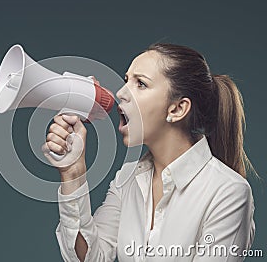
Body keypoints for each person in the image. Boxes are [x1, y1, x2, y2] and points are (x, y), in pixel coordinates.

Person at [42, 43, 256, 261]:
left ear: (177, 109)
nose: (121, 93)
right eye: (127, 81)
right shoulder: (127, 180)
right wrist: (72, 172)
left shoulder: (228, 192)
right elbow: (90, 257)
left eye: (141, 84)